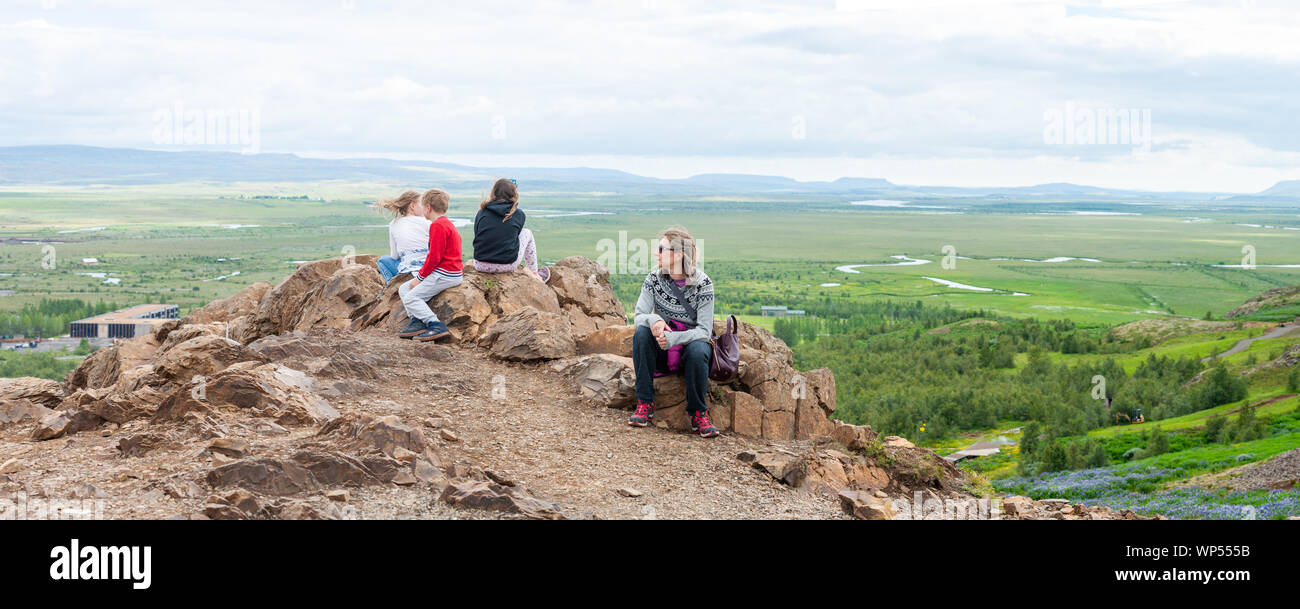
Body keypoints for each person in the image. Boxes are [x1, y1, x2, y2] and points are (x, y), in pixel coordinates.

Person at [628, 227, 719, 438]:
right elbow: (639, 315)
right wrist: (655, 320)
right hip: (662, 346)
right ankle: (644, 403)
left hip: (688, 351)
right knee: (642, 333)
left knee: (699, 349)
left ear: (678, 255)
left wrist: (674, 339)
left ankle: (698, 413)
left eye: (661, 248)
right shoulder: (653, 279)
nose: (655, 253)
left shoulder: (703, 284)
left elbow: (704, 331)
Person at [396, 189, 463, 342]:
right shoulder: (445, 223)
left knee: (411, 298)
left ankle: (435, 325)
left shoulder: (437, 226)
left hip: (445, 274)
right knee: (403, 289)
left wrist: (418, 279)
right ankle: (417, 322)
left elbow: (434, 258)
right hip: (449, 272)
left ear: (428, 208)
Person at [470, 178, 550, 283]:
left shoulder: (482, 212)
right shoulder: (518, 214)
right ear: (514, 193)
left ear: (493, 192)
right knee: (527, 233)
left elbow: (478, 234)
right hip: (506, 265)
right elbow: (514, 236)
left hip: (480, 265)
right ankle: (534, 274)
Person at [375, 190, 431, 284]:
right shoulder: (427, 222)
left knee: (382, 260)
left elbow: (394, 256)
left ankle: (392, 285)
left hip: (407, 271)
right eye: (423, 204)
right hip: (427, 270)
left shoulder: (393, 224)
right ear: (412, 206)